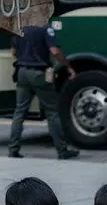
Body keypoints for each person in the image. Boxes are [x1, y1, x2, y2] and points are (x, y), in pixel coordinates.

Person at [8, 23, 78, 160]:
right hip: (39, 73)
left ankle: (13, 149)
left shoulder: (19, 28)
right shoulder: (45, 28)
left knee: (20, 112)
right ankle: (62, 150)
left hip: (22, 72)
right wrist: (68, 66)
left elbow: (13, 52)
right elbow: (54, 51)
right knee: (52, 112)